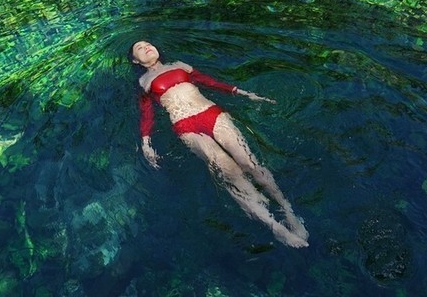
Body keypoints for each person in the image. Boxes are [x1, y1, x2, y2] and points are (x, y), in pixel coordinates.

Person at [130, 40, 309, 248]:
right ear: (136, 60)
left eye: (147, 43)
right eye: (139, 48)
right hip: (185, 126)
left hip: (211, 113)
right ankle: (274, 226)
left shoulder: (180, 65)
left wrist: (244, 93)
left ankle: (287, 210)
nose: (146, 47)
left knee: (249, 163)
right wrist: (145, 142)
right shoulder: (144, 82)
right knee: (229, 172)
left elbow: (210, 82)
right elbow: (147, 114)